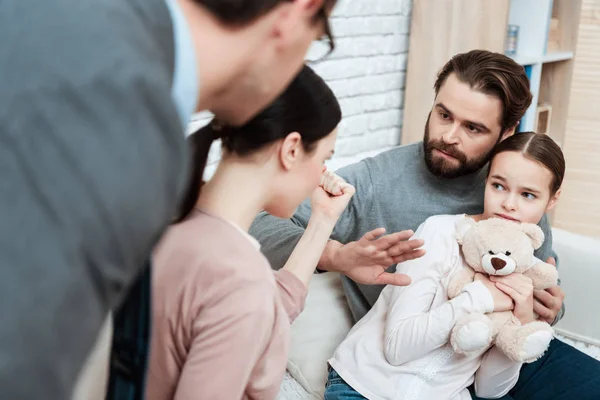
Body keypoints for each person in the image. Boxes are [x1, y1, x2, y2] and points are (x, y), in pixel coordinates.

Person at [0, 0, 336, 397]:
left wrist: (321, 227)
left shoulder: (176, 215)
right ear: (301, 8)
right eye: (317, 41)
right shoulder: (129, 127)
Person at [250, 49, 600, 398]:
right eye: (444, 115)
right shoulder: (377, 180)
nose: (449, 136)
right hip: (414, 362)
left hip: (499, 351)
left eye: (473, 128)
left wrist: (548, 310)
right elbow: (260, 223)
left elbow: (542, 292)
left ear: (506, 133)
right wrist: (335, 256)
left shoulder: (518, 189)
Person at [146, 65, 355, 400]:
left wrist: (322, 221)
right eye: (324, 158)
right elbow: (246, 302)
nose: (323, 173)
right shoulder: (239, 282)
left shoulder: (169, 226)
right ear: (291, 150)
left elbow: (265, 308)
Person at [324, 132, 568, 399]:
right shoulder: (439, 232)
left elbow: (489, 389)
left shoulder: (526, 272)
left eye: (528, 195)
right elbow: (397, 347)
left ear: (552, 200)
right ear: (486, 181)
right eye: (498, 186)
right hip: (365, 385)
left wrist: (520, 322)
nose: (509, 204)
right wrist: (479, 297)